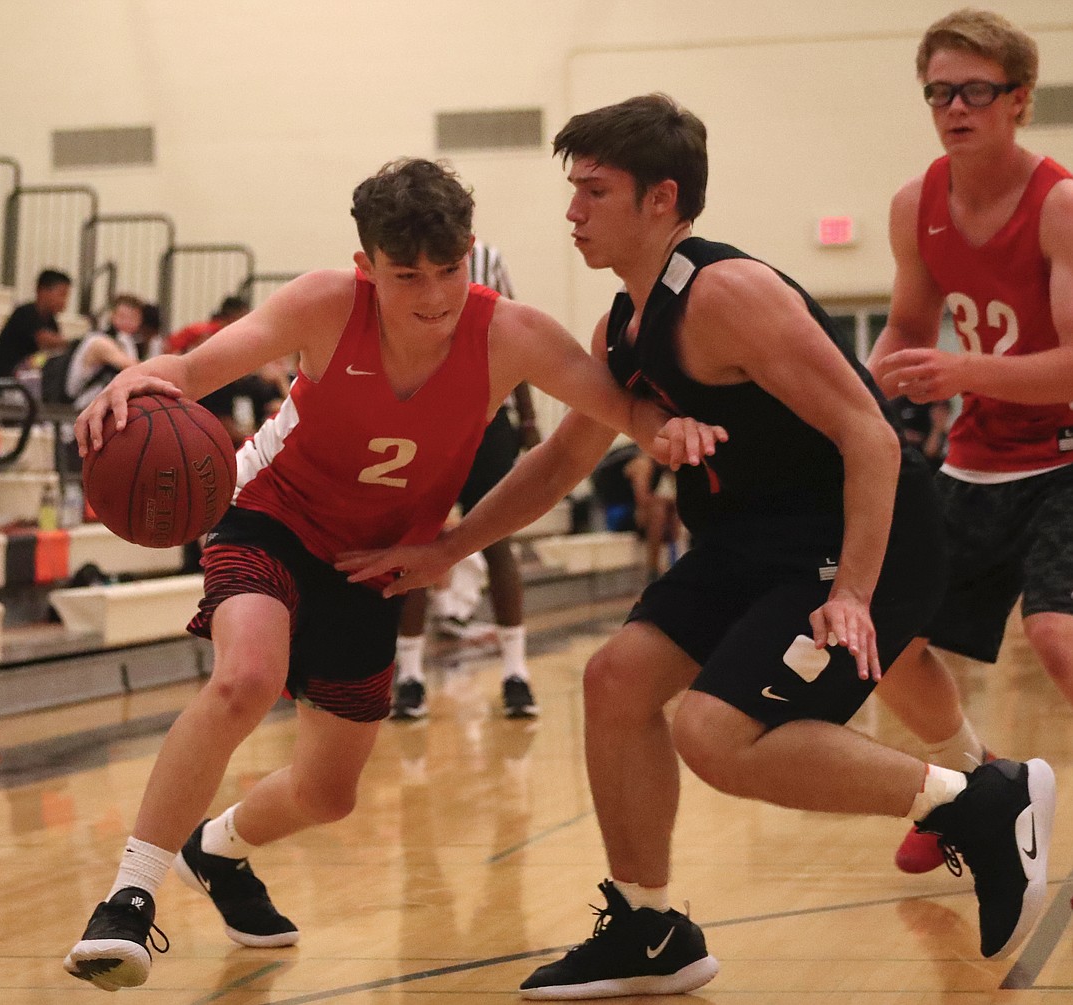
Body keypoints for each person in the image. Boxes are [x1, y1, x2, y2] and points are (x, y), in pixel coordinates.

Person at [340, 95, 1056, 995]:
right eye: (573, 192)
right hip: (749, 544)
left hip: (850, 535)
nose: (571, 213)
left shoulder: (727, 294)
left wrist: (854, 593)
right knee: (615, 681)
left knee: (715, 734)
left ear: (660, 199)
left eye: (592, 193)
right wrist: (449, 547)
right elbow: (564, 456)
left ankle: (982, 801)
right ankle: (651, 930)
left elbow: (869, 438)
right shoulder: (624, 324)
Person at [62, 156, 712, 992]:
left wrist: (673, 430)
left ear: (469, 251)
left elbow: (621, 410)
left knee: (330, 794)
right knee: (246, 678)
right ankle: (128, 898)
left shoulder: (511, 332)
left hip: (374, 562)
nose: (433, 295)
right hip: (271, 516)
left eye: (448, 270)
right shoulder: (325, 303)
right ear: (368, 266)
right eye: (408, 276)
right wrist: (130, 382)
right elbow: (190, 374)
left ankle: (216, 849)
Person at [865, 9, 1073, 875]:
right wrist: (857, 392)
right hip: (977, 458)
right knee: (884, 630)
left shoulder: (1059, 204)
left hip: (1066, 452)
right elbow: (905, 331)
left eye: (975, 90)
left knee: (1058, 632)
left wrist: (962, 374)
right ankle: (976, 783)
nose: (955, 106)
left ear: (1018, 100)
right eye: (939, 91)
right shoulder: (917, 204)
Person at [391, 239, 545, 720]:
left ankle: (516, 672)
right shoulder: (401, 264)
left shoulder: (489, 261)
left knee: (498, 543)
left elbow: (512, 338)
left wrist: (527, 418)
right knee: (417, 543)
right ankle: (410, 676)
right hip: (424, 419)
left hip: (487, 421)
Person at [590, 441, 682, 580]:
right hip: (615, 514)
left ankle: (676, 563)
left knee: (674, 508)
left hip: (631, 511)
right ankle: (653, 569)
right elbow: (643, 499)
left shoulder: (661, 466)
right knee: (659, 509)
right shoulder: (643, 463)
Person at [0, 269, 71, 378]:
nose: (64, 301)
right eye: (61, 294)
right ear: (43, 291)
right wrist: (75, 343)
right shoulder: (25, 313)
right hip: (9, 377)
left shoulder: (52, 322)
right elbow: (45, 340)